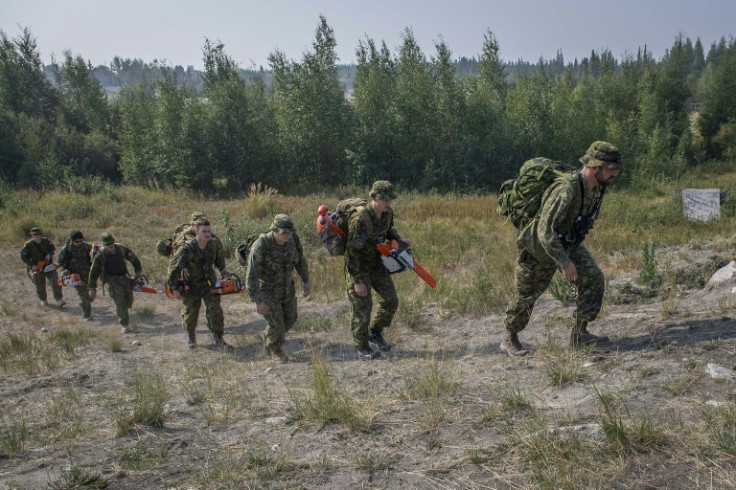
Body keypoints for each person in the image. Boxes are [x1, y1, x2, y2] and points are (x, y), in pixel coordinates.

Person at [501, 141, 623, 356]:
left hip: (567, 242)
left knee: (593, 277)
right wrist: (565, 263)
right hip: (541, 247)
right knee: (527, 294)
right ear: (596, 167)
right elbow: (544, 231)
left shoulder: (595, 188)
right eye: (611, 169)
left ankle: (580, 334)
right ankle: (509, 337)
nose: (614, 174)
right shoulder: (566, 190)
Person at [345, 180, 411, 360]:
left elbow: (388, 231)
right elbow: (352, 253)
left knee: (391, 300)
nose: (388, 202)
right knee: (362, 307)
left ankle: (375, 331)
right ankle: (362, 347)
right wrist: (358, 281)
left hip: (377, 263)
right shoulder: (360, 220)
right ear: (373, 198)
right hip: (359, 267)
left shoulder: (387, 213)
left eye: (390, 199)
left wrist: (400, 240)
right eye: (384, 199)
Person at [246, 214, 310, 363]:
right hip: (268, 291)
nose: (288, 235)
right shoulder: (261, 246)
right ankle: (275, 349)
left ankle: (269, 335)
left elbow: (300, 261)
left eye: (290, 232)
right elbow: (251, 276)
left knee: (291, 318)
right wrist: (257, 301)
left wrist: (306, 281)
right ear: (274, 230)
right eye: (284, 232)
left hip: (287, 288)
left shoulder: (293, 240)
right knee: (278, 327)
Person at [168, 218, 233, 351]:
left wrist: (222, 269)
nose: (208, 234)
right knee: (191, 312)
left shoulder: (213, 244)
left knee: (215, 310)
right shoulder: (186, 250)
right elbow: (174, 270)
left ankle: (218, 337)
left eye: (209, 231)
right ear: (196, 231)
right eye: (204, 232)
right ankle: (191, 336)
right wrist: (174, 288)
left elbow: (219, 259)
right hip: (191, 286)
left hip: (209, 283)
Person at [88, 232, 143, 333]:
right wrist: (92, 288)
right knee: (120, 301)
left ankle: (124, 312)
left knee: (128, 300)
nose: (110, 246)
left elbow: (134, 259)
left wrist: (138, 273)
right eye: (108, 245)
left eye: (112, 244)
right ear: (104, 245)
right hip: (111, 279)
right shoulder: (100, 255)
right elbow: (94, 272)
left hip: (124, 277)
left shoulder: (122, 249)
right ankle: (125, 325)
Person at [21, 227, 65, 308]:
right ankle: (43, 300)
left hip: (48, 265)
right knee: (39, 284)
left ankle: (59, 300)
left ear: (41, 235)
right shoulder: (28, 245)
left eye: (38, 234)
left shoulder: (46, 241)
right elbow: (23, 257)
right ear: (32, 236)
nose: (37, 236)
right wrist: (31, 265)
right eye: (35, 235)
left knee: (55, 281)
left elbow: (52, 248)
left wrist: (49, 254)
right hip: (37, 267)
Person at [57, 230, 93, 321]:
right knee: (84, 294)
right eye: (77, 241)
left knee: (91, 294)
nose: (79, 243)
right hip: (75, 276)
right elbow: (60, 261)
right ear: (72, 240)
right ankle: (87, 316)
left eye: (81, 240)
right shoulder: (66, 249)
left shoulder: (87, 247)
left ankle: (84, 303)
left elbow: (95, 257)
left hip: (88, 274)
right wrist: (64, 270)